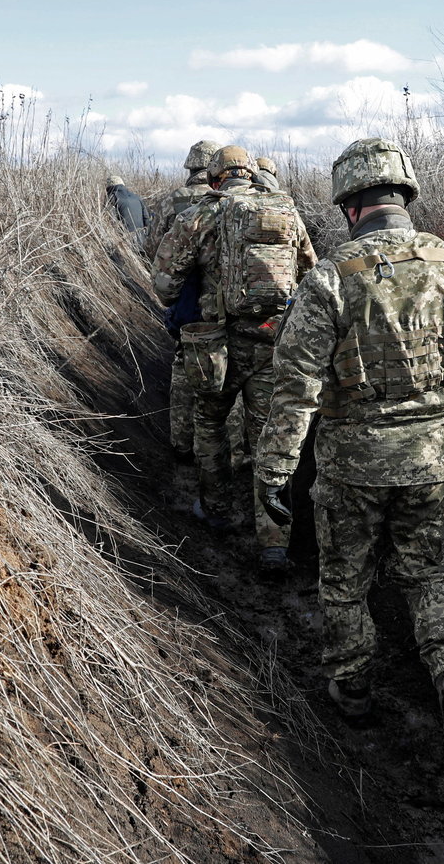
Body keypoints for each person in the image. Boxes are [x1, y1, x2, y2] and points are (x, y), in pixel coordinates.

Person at [253, 137, 444, 755]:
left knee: (345, 577)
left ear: (349, 205)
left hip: (353, 467)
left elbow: (296, 386)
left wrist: (277, 468)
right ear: (403, 196)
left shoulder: (332, 279)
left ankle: (353, 689)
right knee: (428, 569)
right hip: (434, 456)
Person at [152, 145, 316, 573]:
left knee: (210, 424)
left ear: (216, 177)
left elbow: (164, 285)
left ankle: (216, 510)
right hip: (272, 341)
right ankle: (274, 541)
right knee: (269, 436)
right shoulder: (286, 210)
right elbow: (309, 271)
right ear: (249, 173)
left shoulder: (202, 214)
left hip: (216, 346)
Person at [147, 141, 221, 462]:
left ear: (190, 168)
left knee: (182, 363)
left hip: (184, 299)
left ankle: (181, 446)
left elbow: (153, 248)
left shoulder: (174, 201)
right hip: (221, 303)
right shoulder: (227, 202)